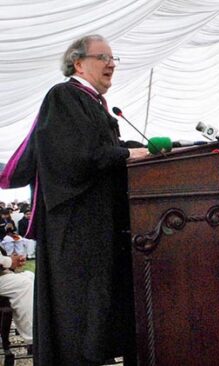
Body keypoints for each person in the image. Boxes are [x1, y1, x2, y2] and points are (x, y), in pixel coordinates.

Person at [0, 35, 149, 365]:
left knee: (97, 308)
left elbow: (99, 149)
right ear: (79, 63)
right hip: (76, 227)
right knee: (79, 310)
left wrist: (145, 149)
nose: (111, 64)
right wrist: (125, 153)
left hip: (97, 225)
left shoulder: (93, 103)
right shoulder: (64, 96)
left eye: (113, 58)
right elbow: (74, 156)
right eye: (103, 57)